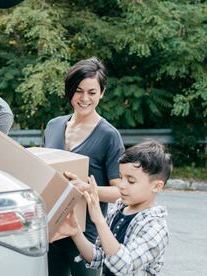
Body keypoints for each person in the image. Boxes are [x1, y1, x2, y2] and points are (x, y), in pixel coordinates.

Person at [44, 57, 125, 276]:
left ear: (102, 93)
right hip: (52, 230)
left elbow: (121, 193)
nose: (84, 98)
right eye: (78, 91)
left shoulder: (109, 136)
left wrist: (88, 189)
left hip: (86, 235)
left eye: (91, 92)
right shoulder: (53, 126)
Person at [59, 141, 172, 275]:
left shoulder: (155, 226)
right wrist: (76, 232)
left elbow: (124, 266)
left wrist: (99, 220)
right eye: (121, 177)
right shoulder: (118, 210)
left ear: (156, 186)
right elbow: (99, 258)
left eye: (131, 181)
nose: (122, 185)